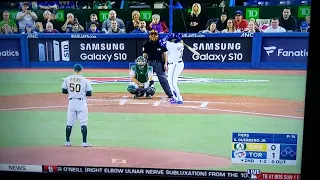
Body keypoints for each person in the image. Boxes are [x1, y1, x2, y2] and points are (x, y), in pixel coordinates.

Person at [61, 64, 93, 147]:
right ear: (81, 70)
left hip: (71, 102)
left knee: (69, 122)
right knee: (83, 122)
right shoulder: (84, 80)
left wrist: (72, 93)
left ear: (74, 70)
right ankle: (84, 142)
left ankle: (67, 141)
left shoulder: (67, 79)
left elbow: (64, 91)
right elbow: (89, 93)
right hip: (81, 102)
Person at [142, 30, 173, 98]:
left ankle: (170, 93)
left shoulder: (161, 43)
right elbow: (144, 55)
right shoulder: (146, 43)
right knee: (146, 78)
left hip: (159, 63)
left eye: (155, 34)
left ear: (157, 35)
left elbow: (165, 53)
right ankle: (144, 92)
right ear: (149, 35)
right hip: (149, 63)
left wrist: (165, 63)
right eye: (152, 34)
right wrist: (143, 64)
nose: (153, 36)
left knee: (163, 79)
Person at [159, 33, 184, 104]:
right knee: (170, 81)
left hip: (175, 65)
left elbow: (161, 42)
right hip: (176, 64)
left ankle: (179, 98)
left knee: (173, 82)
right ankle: (175, 97)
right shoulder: (180, 44)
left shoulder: (172, 45)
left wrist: (167, 37)